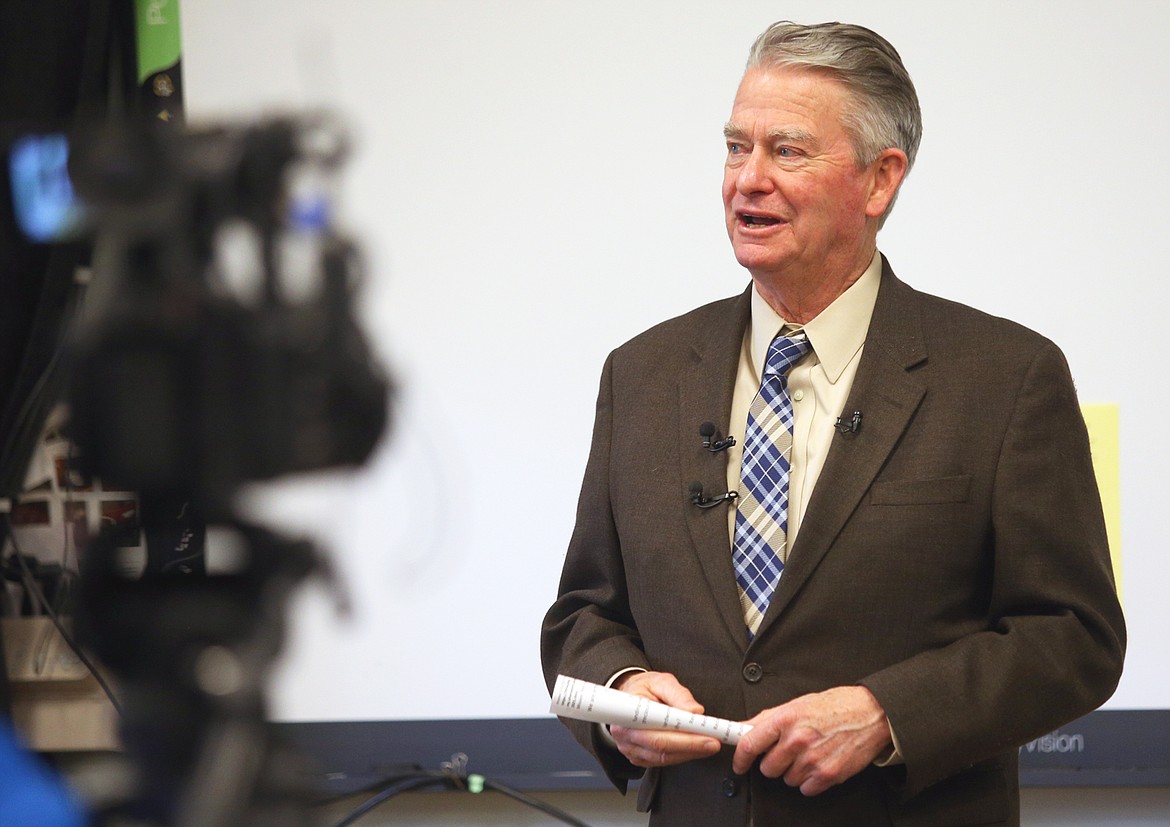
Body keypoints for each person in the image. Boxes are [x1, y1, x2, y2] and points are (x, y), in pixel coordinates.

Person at [540, 20, 1125, 826]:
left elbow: (1074, 636)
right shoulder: (641, 374)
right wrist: (620, 690)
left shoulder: (1006, 378)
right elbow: (584, 614)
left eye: (786, 151)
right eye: (735, 147)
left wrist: (889, 713)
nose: (747, 180)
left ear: (880, 180)